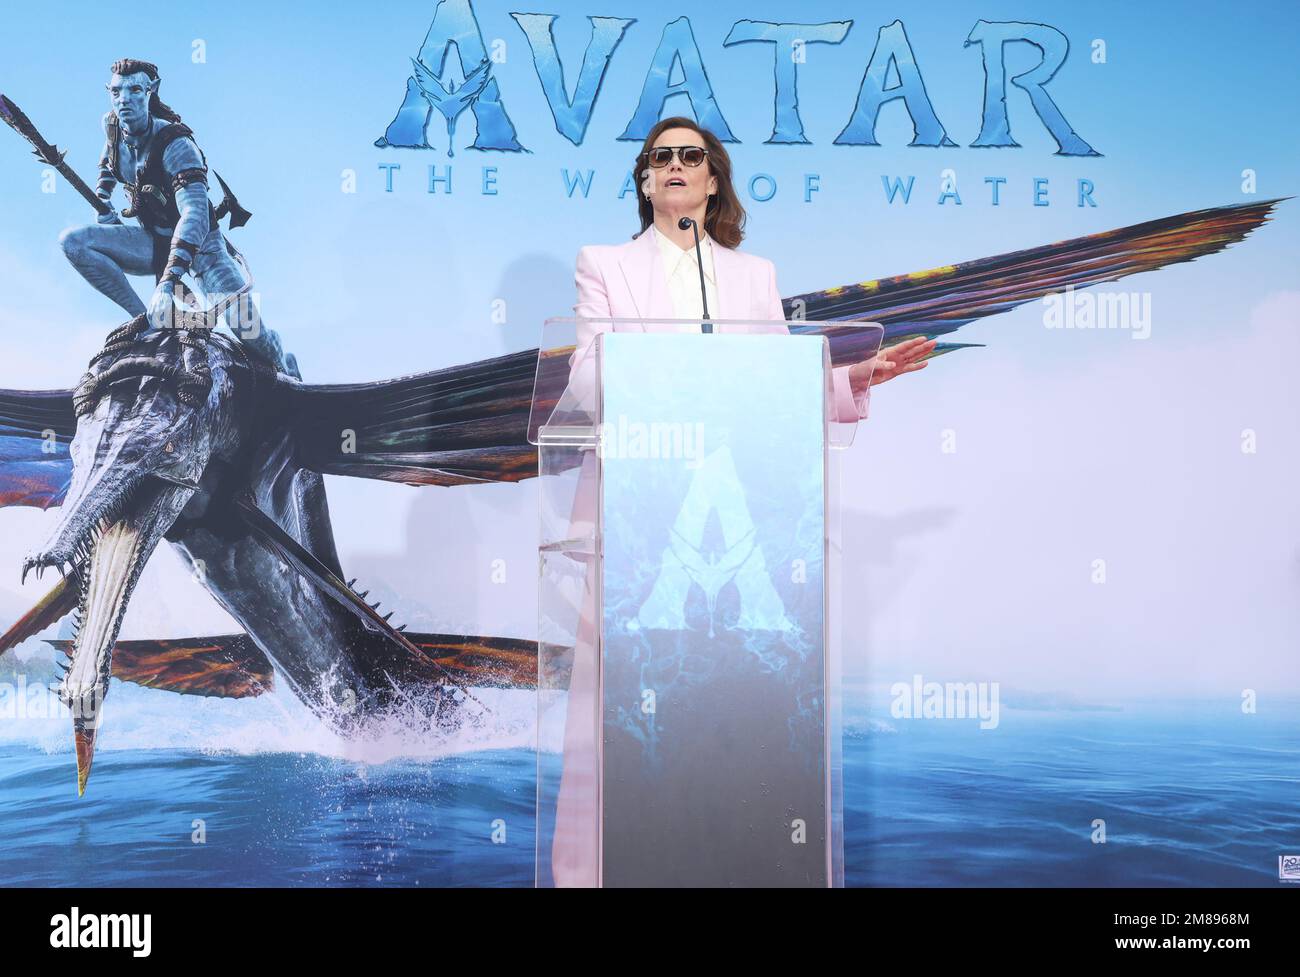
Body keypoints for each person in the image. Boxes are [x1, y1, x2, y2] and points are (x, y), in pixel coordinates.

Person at [547, 116, 934, 886]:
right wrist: (654, 367)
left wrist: (853, 379)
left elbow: (772, 389)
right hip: (636, 516)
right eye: (661, 158)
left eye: (692, 156)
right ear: (644, 181)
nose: (676, 167)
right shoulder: (603, 266)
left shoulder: (755, 277)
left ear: (714, 179)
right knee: (612, 710)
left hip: (738, 522)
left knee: (732, 706)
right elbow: (587, 385)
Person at [58, 58, 297, 378]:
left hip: (204, 250)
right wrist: (102, 201)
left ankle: (286, 370)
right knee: (74, 243)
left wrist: (168, 284)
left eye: (134, 90)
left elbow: (195, 214)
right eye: (116, 92)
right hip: (154, 240)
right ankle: (147, 323)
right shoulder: (112, 124)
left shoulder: (177, 145)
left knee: (251, 334)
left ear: (151, 91)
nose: (124, 99)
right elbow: (108, 161)